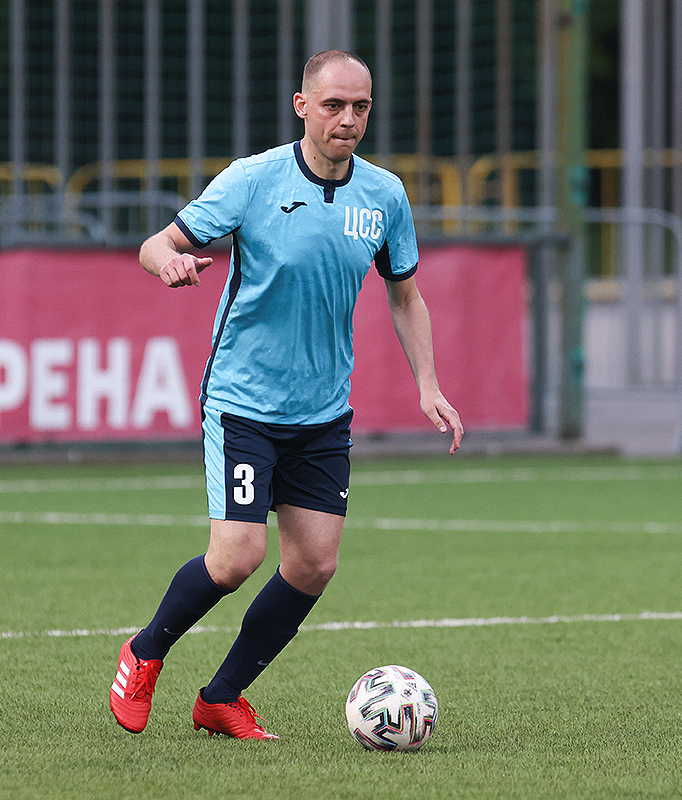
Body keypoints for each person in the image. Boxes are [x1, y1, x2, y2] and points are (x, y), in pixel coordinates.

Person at [109, 49, 463, 740]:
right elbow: (157, 243)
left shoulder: (385, 195)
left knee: (313, 565)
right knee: (236, 557)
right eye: (333, 105)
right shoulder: (253, 180)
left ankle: (220, 699)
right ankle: (144, 652)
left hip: (322, 412)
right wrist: (170, 262)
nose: (348, 119)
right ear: (302, 106)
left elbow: (405, 295)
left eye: (360, 106)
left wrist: (428, 384)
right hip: (244, 400)